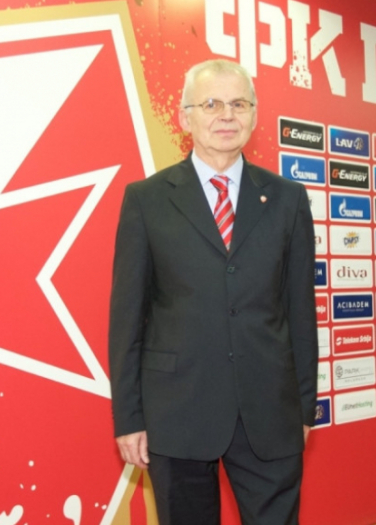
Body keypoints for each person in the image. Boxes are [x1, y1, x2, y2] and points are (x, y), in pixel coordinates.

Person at [109, 59, 319, 524]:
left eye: (239, 104)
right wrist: (130, 417)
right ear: (185, 117)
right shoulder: (146, 199)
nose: (227, 115)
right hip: (177, 412)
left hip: (271, 412)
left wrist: (305, 408)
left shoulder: (287, 199)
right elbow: (127, 319)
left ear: (254, 115)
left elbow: (300, 312)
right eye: (211, 104)